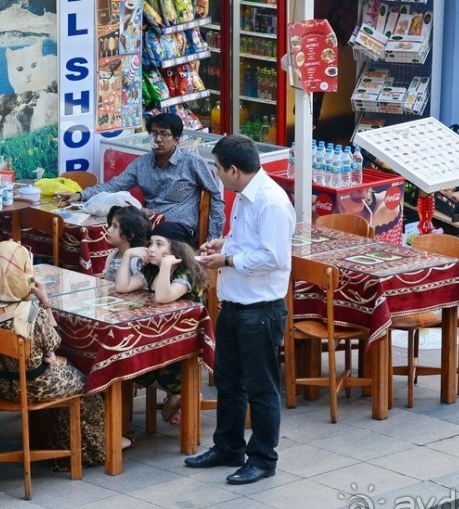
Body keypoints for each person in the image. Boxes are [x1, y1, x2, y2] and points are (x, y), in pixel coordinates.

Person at [183, 134, 294, 485]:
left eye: (217, 168)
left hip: (260, 309)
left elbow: (273, 257)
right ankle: (228, 446)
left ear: (233, 170)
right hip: (234, 303)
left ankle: (262, 458)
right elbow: (248, 241)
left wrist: (227, 259)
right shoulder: (243, 197)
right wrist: (223, 243)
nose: (215, 175)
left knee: (261, 388)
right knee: (228, 381)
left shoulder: (271, 201)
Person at [0, 241, 107, 468]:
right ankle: (85, 451)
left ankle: (56, 446)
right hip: (35, 386)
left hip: (3, 385)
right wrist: (46, 303)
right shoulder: (31, 314)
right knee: (87, 385)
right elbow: (55, 341)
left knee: (65, 370)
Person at [57, 113, 225, 241]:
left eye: (164, 134)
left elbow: (216, 197)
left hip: (180, 227)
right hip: (148, 222)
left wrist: (212, 238)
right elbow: (113, 185)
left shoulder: (192, 162)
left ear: (176, 139)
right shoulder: (142, 163)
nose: (157, 139)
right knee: (113, 227)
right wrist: (80, 195)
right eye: (153, 134)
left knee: (156, 234)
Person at [115, 220, 208, 426]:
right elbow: (123, 286)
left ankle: (183, 391)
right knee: (129, 356)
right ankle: (176, 394)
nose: (151, 249)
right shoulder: (151, 271)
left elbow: (164, 297)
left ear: (175, 249)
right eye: (150, 244)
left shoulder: (187, 274)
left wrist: (166, 266)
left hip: (184, 343)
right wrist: (128, 256)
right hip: (158, 334)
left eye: (159, 244)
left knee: (144, 360)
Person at [102, 205, 151, 282]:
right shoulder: (112, 256)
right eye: (111, 225)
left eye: (115, 226)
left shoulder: (138, 262)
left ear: (130, 235)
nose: (108, 230)